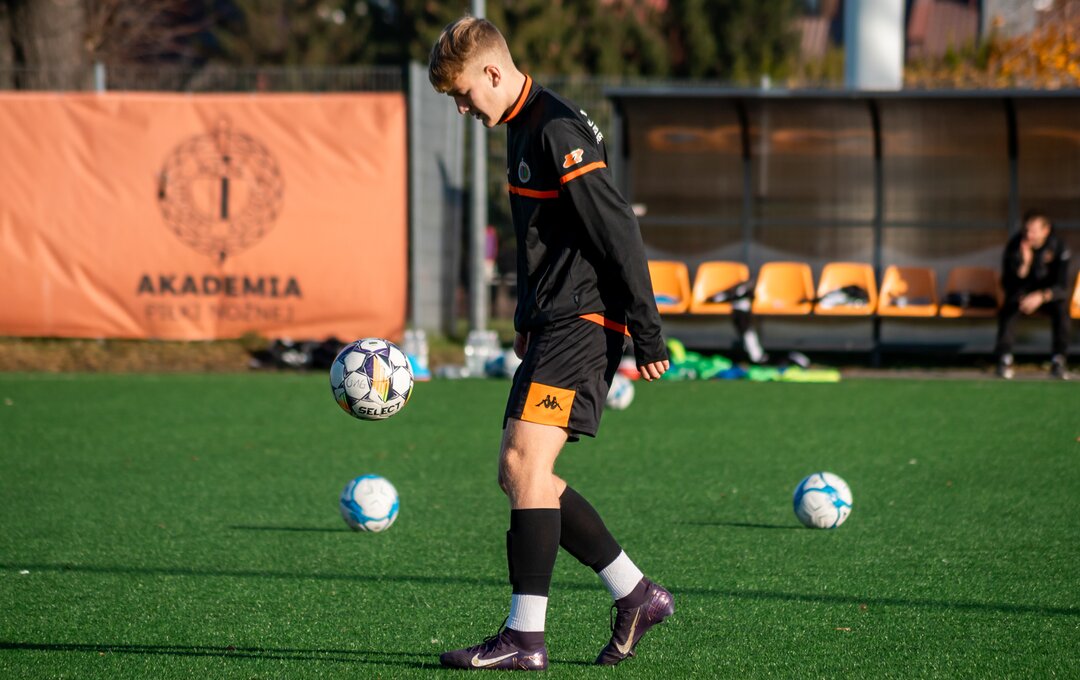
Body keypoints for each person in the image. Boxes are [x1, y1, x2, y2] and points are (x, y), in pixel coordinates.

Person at [428, 16, 673, 671]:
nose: (461, 108)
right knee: (520, 472)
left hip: (582, 325)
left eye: (462, 94)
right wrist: (526, 316)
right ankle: (635, 593)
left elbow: (617, 229)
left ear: (492, 72)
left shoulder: (555, 129)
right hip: (556, 322)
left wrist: (647, 332)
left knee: (523, 466)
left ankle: (525, 637)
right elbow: (549, 239)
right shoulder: (521, 124)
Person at [995, 210, 1072, 379]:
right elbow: (1006, 282)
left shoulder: (1059, 247)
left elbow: (1063, 287)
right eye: (1026, 230)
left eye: (1033, 231)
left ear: (1046, 230)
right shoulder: (1015, 246)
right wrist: (1024, 265)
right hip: (1022, 295)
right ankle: (1004, 358)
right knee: (1009, 307)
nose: (1029, 235)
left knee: (1062, 310)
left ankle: (1059, 359)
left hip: (1048, 297)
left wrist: (1041, 296)